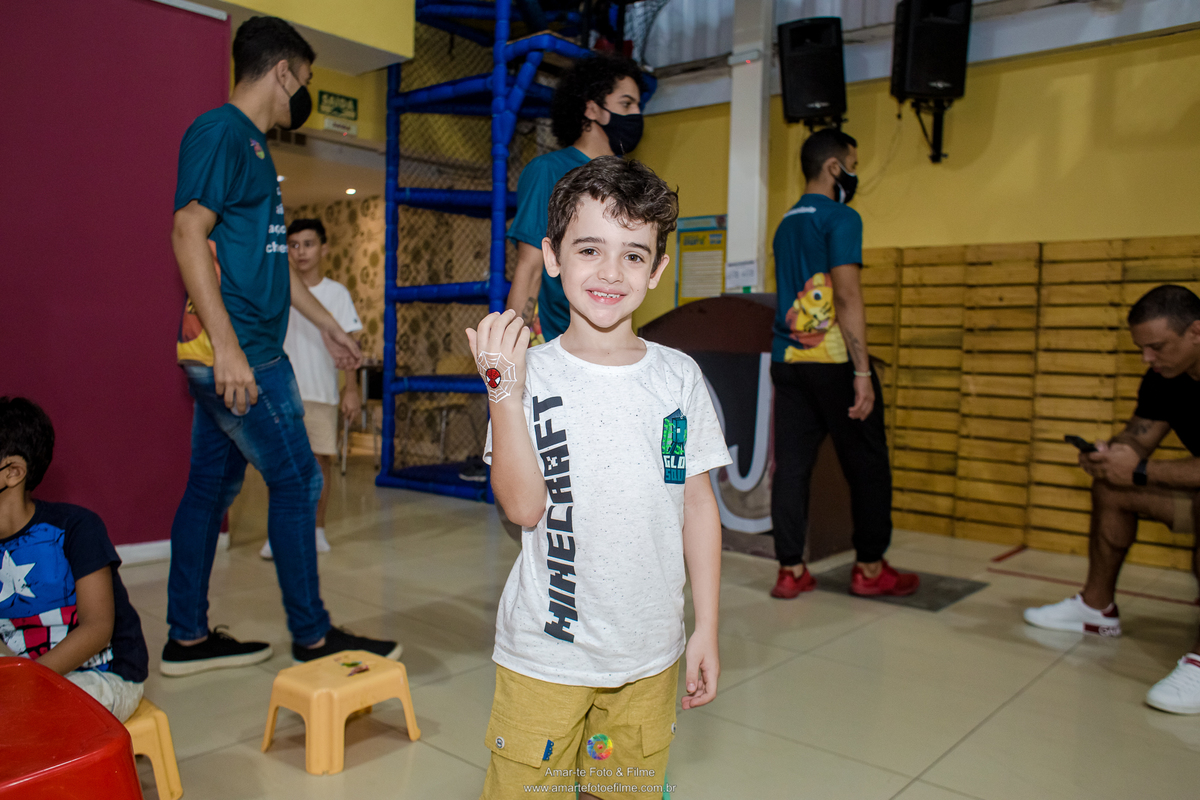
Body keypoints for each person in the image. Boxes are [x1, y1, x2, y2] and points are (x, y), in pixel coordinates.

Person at [468, 157, 731, 799]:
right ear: (552, 257)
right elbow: (523, 508)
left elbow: (698, 506)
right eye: (590, 249)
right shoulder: (529, 375)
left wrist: (707, 626)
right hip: (545, 657)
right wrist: (504, 392)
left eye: (633, 255)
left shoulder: (678, 378)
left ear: (657, 270)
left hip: (649, 658)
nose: (611, 273)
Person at [164, 16, 398, 676]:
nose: (306, 91)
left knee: (209, 490)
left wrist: (329, 327)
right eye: (307, 78)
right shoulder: (221, 132)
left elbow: (274, 268)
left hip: (242, 348)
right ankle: (315, 637)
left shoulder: (257, 151)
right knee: (298, 481)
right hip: (242, 355)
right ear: (283, 73)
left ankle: (187, 638)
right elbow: (187, 231)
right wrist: (227, 347)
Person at [1025, 285, 1200, 714]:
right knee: (1112, 488)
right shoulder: (1164, 377)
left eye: (1157, 347)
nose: (1147, 358)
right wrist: (1112, 455)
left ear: (1196, 331)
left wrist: (1139, 470)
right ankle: (1096, 608)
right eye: (1141, 349)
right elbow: (1139, 438)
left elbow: (1145, 466)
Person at [768, 128, 919, 600]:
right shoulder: (841, 217)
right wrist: (862, 372)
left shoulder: (785, 223)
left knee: (792, 467)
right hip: (833, 361)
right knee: (868, 463)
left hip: (787, 360)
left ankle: (790, 570)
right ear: (834, 167)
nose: (854, 174)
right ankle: (870, 569)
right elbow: (847, 296)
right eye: (852, 165)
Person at [0, 397, 149, 723]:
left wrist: (24, 682)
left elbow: (97, 628)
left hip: (105, 675)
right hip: (32, 676)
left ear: (13, 472)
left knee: (21, 722)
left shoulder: (75, 528)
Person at [505, 53, 646, 345]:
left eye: (638, 105)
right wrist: (509, 352)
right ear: (592, 109)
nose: (636, 114)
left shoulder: (630, 180)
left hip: (607, 344)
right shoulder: (548, 170)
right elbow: (529, 268)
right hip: (554, 340)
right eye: (626, 104)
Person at [259, 218, 361, 560]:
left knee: (319, 463)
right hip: (281, 393)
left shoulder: (337, 294)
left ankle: (316, 530)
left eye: (309, 244)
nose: (301, 252)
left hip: (321, 393)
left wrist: (351, 390)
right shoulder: (277, 290)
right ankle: (277, 535)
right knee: (280, 465)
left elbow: (350, 346)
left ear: (324, 248)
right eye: (294, 245)